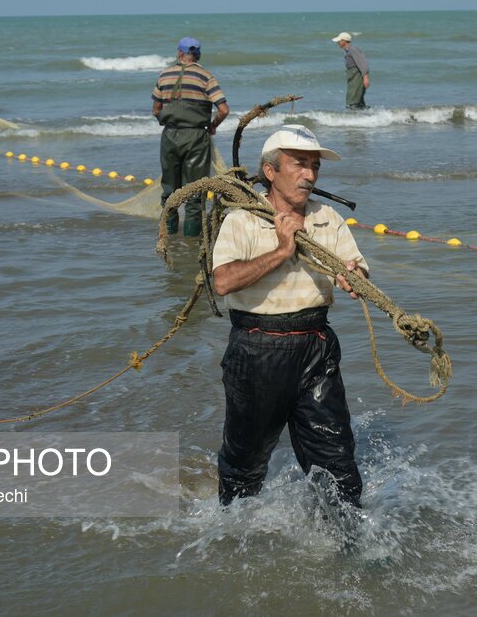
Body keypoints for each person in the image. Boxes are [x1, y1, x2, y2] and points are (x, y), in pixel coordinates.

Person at [210, 124, 368, 509]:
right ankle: (230, 538)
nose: (310, 176)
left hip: (316, 347)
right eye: (299, 164)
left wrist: (353, 277)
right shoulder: (243, 220)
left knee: (338, 464)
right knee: (244, 465)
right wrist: (282, 250)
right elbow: (223, 281)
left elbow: (356, 270)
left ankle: (348, 547)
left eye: (314, 166)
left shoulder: (327, 217)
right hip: (256, 350)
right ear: (270, 171)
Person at [152, 37, 230, 237]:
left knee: (169, 190)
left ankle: (168, 237)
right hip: (196, 137)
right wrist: (212, 125)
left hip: (170, 136)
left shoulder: (164, 75)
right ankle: (192, 242)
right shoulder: (205, 77)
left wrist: (168, 120)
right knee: (195, 192)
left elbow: (156, 110)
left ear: (179, 53)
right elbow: (223, 109)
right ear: (198, 55)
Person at [331, 32, 370, 109]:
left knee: (352, 102)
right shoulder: (349, 50)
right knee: (358, 101)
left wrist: (366, 78)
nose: (338, 43)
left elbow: (363, 63)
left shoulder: (352, 49)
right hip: (353, 77)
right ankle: (368, 117)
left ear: (344, 41)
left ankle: (355, 119)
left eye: (339, 41)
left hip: (357, 77)